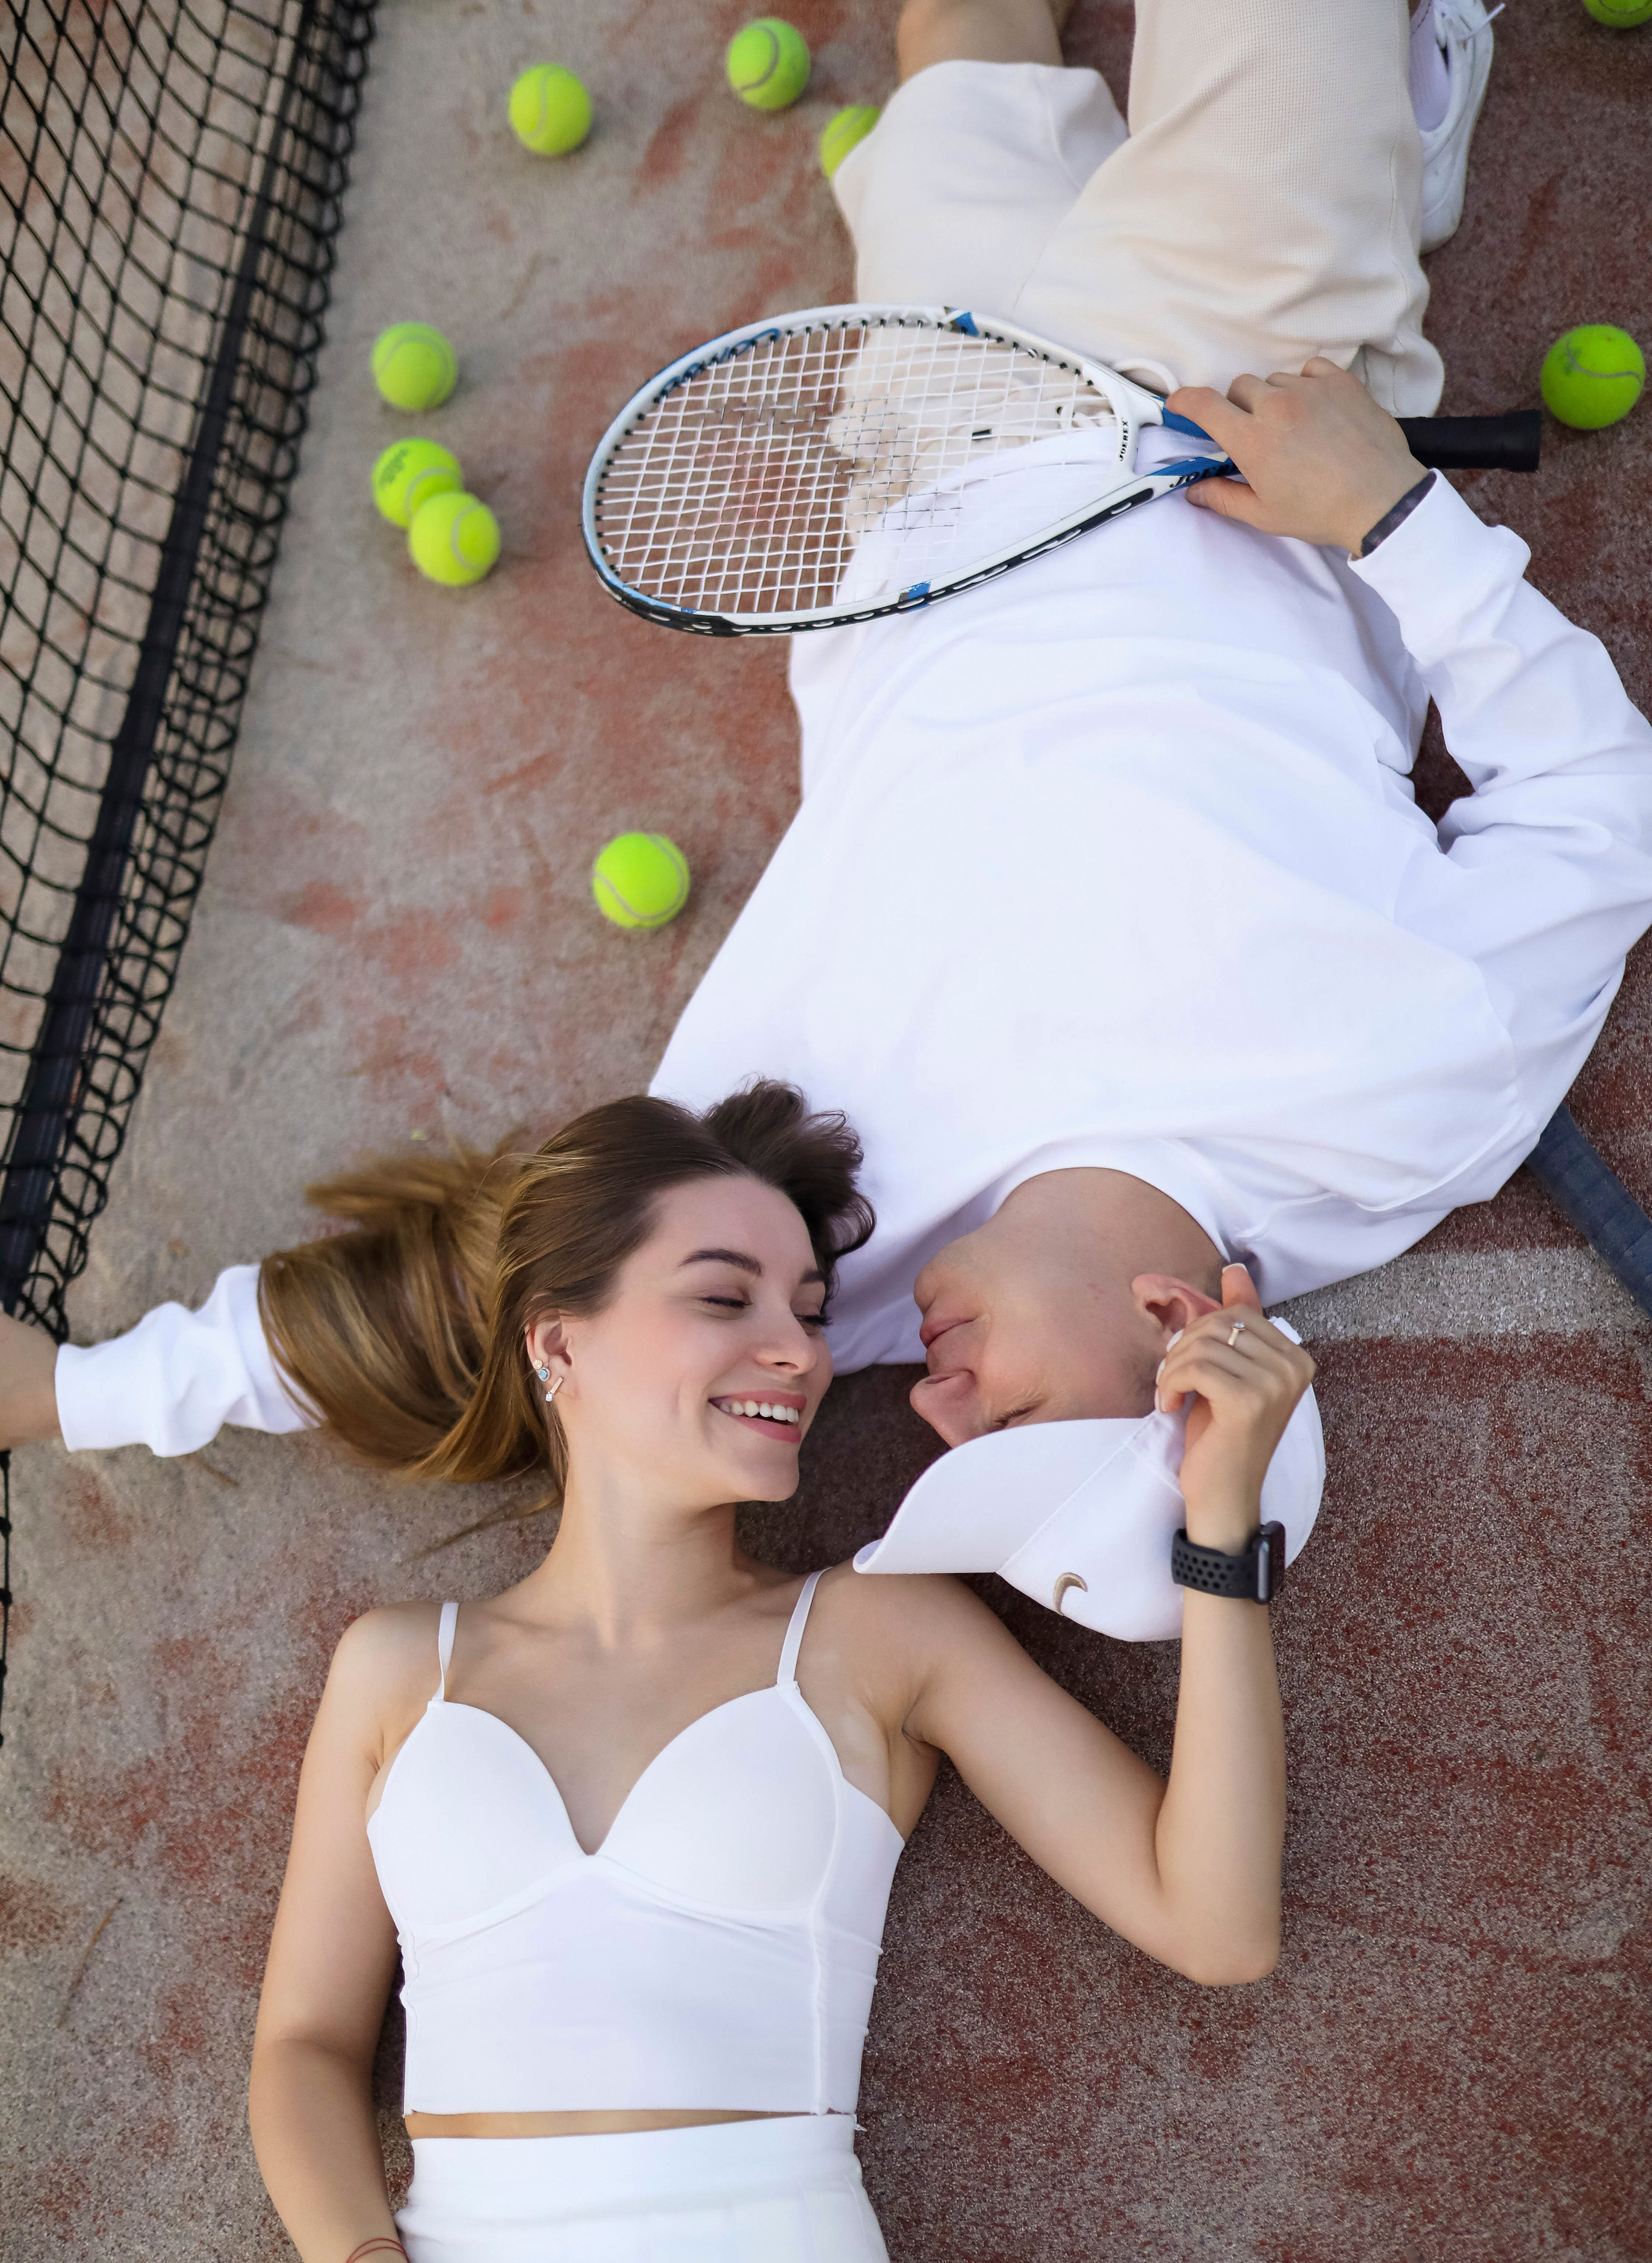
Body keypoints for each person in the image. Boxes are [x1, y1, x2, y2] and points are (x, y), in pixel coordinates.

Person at [6, 0, 1651, 1626]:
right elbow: (1598, 804)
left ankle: (1370, 134)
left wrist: (80, 1397)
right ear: (1174, 1324)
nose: (928, 1405)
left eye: (945, 1443)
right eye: (1001, 1421)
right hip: (1217, 396)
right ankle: (1372, 122)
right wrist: (1385, 512)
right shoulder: (1410, 1098)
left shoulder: (802, 1238)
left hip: (931, 463)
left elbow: (471, 1312)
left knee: (953, 34)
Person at [249, 1079, 1313, 2263]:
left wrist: (1219, 1522)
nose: (797, 1352)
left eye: (810, 1311)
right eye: (724, 1298)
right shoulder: (398, 1669)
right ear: (557, 1341)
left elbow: (1216, 1923)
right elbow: (303, 2045)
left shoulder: (880, 1632)